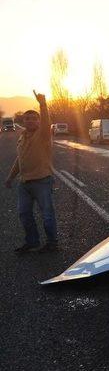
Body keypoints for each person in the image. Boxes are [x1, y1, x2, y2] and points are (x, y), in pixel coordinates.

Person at [4, 91, 58, 253]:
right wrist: (10, 178)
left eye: (34, 118)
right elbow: (19, 160)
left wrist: (42, 104)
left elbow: (47, 120)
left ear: (39, 121)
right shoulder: (22, 136)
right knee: (24, 214)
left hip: (42, 181)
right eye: (27, 118)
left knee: (47, 215)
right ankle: (32, 241)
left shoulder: (43, 135)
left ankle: (52, 243)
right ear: (23, 121)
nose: (30, 120)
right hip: (24, 183)